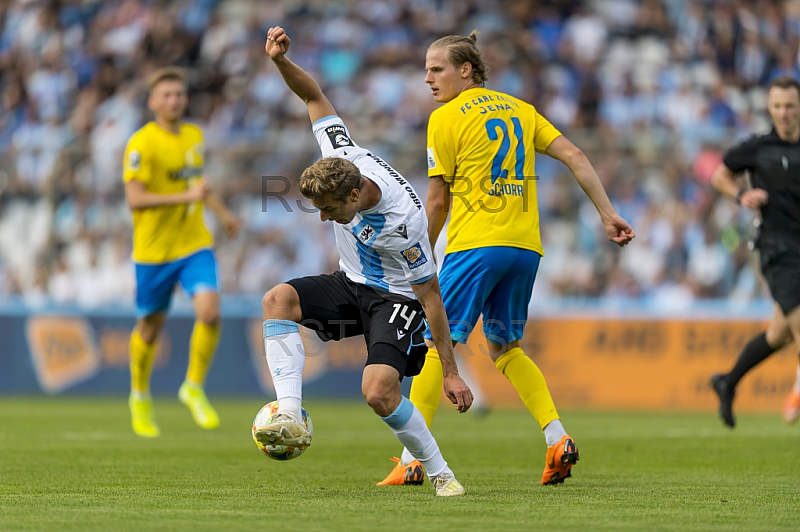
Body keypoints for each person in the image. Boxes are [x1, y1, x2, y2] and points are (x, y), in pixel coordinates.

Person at [378, 31, 635, 487]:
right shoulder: (520, 108)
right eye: (425, 69)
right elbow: (574, 154)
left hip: (476, 243)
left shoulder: (446, 117)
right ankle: (557, 437)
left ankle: (410, 459)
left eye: (436, 69)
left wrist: (416, 257)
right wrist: (607, 213)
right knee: (505, 349)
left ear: (466, 70)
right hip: (524, 248)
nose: (427, 79)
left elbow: (437, 200)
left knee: (435, 342)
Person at [256, 27, 473, 497]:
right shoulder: (340, 155)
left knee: (377, 391)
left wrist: (451, 371)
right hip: (351, 280)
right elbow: (314, 95)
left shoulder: (404, 222)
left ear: (355, 195)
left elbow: (431, 298)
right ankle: (289, 412)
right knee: (278, 299)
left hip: (396, 298)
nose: (324, 218)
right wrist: (279, 62)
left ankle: (439, 473)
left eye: (330, 210)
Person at [123, 67, 241, 437]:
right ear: (153, 101)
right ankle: (139, 396)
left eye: (179, 94)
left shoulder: (193, 135)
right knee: (149, 329)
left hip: (193, 244)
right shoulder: (141, 144)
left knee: (210, 311)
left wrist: (222, 214)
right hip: (153, 252)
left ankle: (192, 387)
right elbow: (135, 198)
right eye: (167, 94)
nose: (174, 100)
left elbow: (199, 186)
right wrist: (186, 196)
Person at [709, 76, 800, 428]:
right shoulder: (758, 147)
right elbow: (720, 174)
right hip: (777, 250)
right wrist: (740, 196)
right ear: (770, 108)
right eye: (777, 106)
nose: (784, 112)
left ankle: (727, 381)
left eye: (790, 105)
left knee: (779, 334)